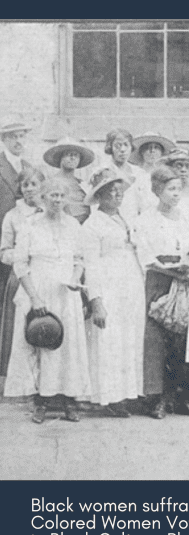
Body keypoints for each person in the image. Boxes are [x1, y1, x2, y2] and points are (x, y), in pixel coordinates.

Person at [3, 178, 90, 423]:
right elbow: (20, 265)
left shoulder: (74, 225)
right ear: (43, 197)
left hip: (65, 292)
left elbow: (79, 259)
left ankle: (69, 400)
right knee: (39, 342)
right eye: (52, 195)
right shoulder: (30, 226)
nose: (57, 200)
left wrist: (75, 278)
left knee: (67, 345)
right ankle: (40, 401)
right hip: (38, 289)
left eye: (61, 196)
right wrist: (34, 297)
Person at [133, 166, 189, 419]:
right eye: (170, 189)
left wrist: (187, 271)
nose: (175, 194)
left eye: (178, 189)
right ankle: (156, 398)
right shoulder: (145, 219)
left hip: (183, 279)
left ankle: (180, 396)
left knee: (181, 337)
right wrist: (172, 272)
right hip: (159, 280)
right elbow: (146, 257)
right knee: (155, 339)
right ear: (157, 191)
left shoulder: (187, 218)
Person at [83, 168, 145, 417]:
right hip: (109, 286)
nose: (117, 195)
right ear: (99, 196)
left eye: (120, 190)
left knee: (129, 339)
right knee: (110, 341)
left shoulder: (125, 218)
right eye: (111, 191)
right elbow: (91, 265)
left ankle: (128, 393)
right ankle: (109, 396)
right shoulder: (92, 225)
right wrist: (96, 301)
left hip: (130, 285)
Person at [0, 167, 45, 378]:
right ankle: (18, 379)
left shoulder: (49, 211)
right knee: (19, 330)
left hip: (45, 276)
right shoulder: (13, 215)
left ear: (42, 186)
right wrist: (21, 255)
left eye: (34, 184)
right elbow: (4, 251)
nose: (29, 189)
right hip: (20, 277)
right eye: (25, 185)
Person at [0, 122, 33, 357]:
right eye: (13, 137)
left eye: (22, 136)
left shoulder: (28, 167)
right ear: (4, 139)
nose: (18, 141)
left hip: (24, 238)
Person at [105, 128, 155, 225]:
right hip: (111, 224)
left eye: (126, 145)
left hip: (136, 225)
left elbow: (147, 204)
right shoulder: (103, 172)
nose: (122, 150)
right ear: (110, 148)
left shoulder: (139, 173)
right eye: (118, 145)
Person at [43, 137, 95, 224]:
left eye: (76, 155)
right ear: (61, 157)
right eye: (69, 154)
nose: (73, 158)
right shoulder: (51, 182)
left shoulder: (82, 183)